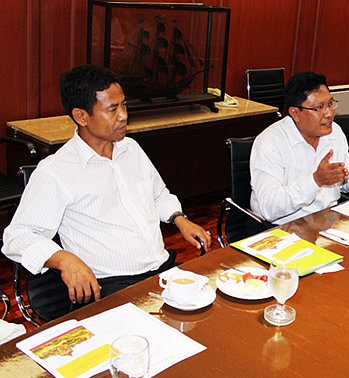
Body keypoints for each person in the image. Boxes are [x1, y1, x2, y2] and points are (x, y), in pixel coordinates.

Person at [2, 65, 211, 305]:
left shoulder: (131, 149)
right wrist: (64, 259)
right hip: (112, 286)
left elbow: (158, 195)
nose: (123, 115)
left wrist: (179, 219)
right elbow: (17, 236)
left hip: (161, 270)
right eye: (112, 109)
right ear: (81, 116)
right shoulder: (56, 170)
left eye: (123, 105)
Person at [250, 71, 349, 224]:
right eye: (319, 108)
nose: (329, 114)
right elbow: (269, 208)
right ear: (295, 113)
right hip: (284, 227)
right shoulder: (270, 142)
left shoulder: (334, 132)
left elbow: (344, 180)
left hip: (327, 220)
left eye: (330, 104)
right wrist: (316, 181)